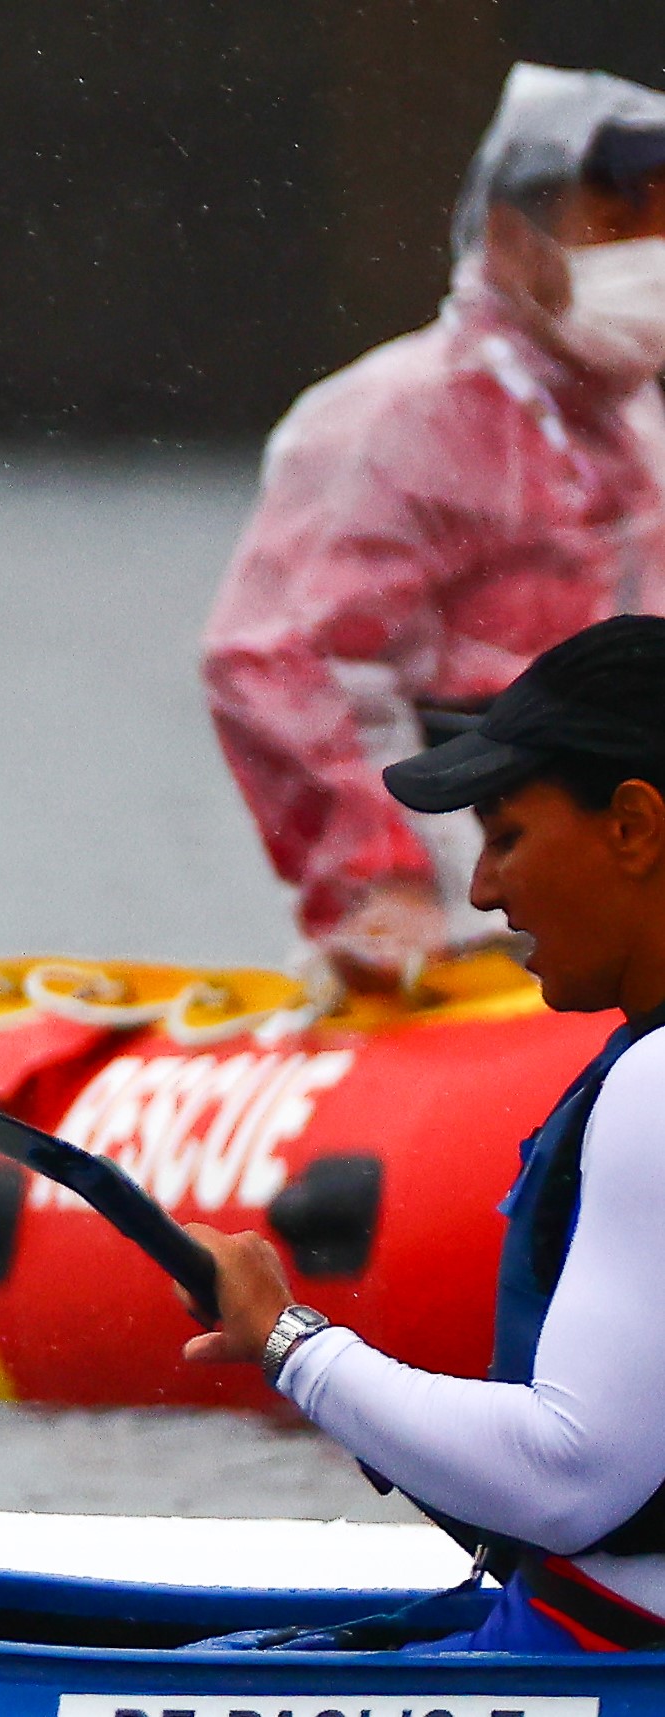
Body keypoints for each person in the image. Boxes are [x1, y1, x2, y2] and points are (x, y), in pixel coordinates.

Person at [184, 614, 665, 1652]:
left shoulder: (658, 1087)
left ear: (631, 825)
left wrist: (287, 1343)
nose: (482, 891)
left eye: (506, 836)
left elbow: (564, 1478)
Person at [202, 64, 665, 994]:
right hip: (463, 884)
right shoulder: (391, 417)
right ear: (510, 238)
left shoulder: (640, 426)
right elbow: (285, 658)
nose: (650, 253)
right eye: (618, 223)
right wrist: (387, 879)